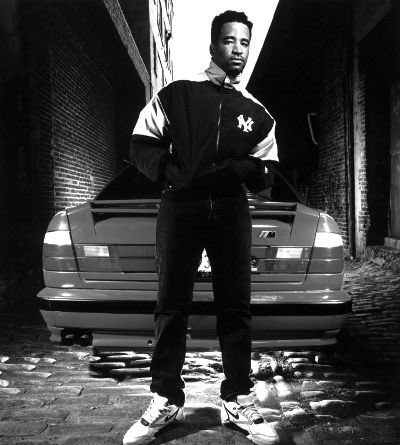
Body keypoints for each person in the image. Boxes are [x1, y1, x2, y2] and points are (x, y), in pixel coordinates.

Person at [123, 10, 279, 445]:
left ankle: (237, 397)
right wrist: (171, 172)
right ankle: (166, 399)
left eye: (244, 42)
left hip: (231, 209)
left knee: (235, 305)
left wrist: (243, 169)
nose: (238, 50)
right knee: (172, 303)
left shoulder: (258, 113)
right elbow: (141, 143)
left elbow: (267, 171)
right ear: (213, 45)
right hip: (181, 205)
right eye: (229, 40)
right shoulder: (178, 93)